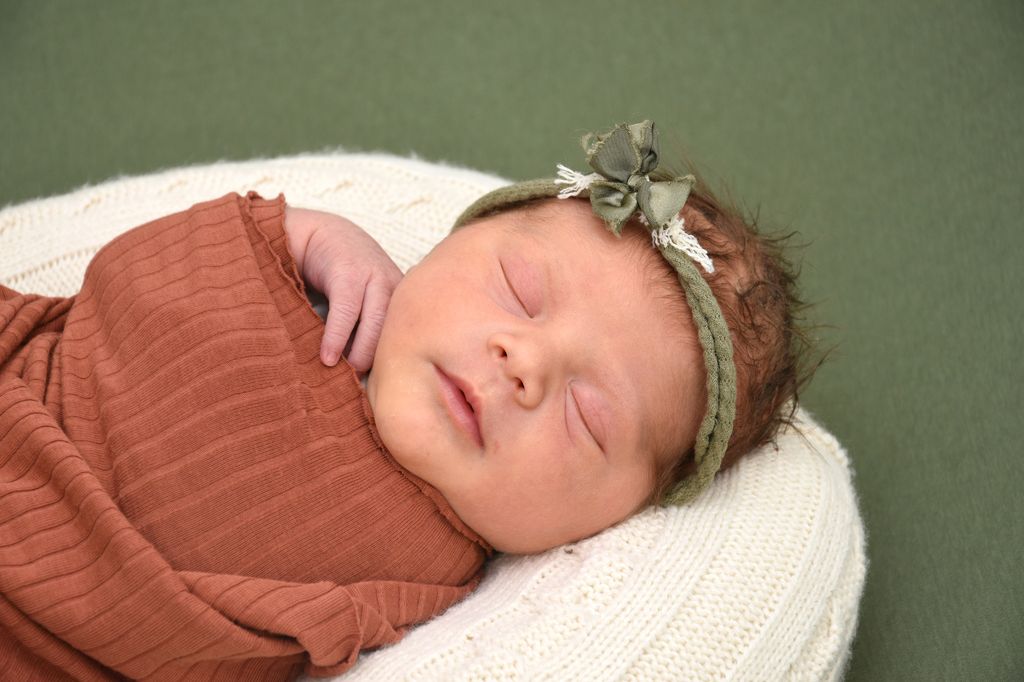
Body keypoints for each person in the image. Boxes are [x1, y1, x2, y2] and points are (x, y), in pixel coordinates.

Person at [0, 121, 814, 679]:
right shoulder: (318, 290)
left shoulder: (444, 591)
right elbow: (125, 289)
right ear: (446, 245)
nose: (524, 361)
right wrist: (304, 234)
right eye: (518, 288)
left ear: (611, 519)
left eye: (587, 416)